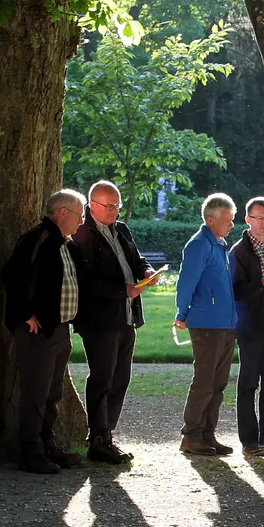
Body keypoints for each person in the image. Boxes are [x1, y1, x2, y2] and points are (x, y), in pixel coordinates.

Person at [72, 180, 157, 464]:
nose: (114, 211)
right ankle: (97, 439)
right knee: (102, 378)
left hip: (126, 317)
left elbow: (136, 259)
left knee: (120, 378)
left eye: (117, 205)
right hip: (100, 320)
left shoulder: (121, 229)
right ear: (91, 205)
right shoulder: (81, 233)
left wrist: (147, 271)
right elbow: (86, 282)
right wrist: (123, 290)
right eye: (109, 206)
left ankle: (107, 435)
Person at [3, 189, 87, 474]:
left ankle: (47, 445)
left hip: (59, 328)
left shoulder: (66, 244)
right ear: (62, 213)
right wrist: (25, 314)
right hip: (38, 331)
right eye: (79, 215)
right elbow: (12, 276)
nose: (82, 221)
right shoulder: (37, 239)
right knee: (36, 393)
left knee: (52, 392)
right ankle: (31, 452)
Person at [175, 194, 239, 456]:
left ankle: (207, 433)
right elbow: (186, 282)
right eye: (227, 220)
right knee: (204, 381)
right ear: (210, 220)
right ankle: (191, 436)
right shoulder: (199, 245)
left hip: (225, 323)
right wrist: (182, 313)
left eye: (232, 219)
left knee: (218, 383)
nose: (232, 224)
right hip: (206, 324)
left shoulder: (219, 244)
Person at [228, 196, 264, 455]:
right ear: (247, 219)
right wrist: (261, 283)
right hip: (251, 323)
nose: (263, 223)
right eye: (259, 218)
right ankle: (248, 440)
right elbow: (236, 291)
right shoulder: (239, 251)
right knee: (249, 383)